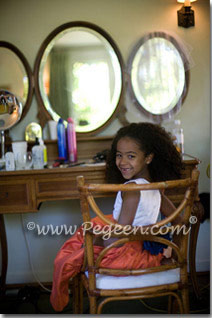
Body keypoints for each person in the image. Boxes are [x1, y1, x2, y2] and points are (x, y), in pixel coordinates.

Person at [50, 122, 183, 311]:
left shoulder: (132, 190)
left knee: (72, 251)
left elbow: (119, 236)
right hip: (146, 250)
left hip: (126, 253)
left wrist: (95, 241)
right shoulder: (156, 187)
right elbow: (179, 222)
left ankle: (61, 300)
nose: (122, 162)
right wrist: (165, 248)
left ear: (149, 158)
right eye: (119, 155)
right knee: (88, 234)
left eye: (131, 156)